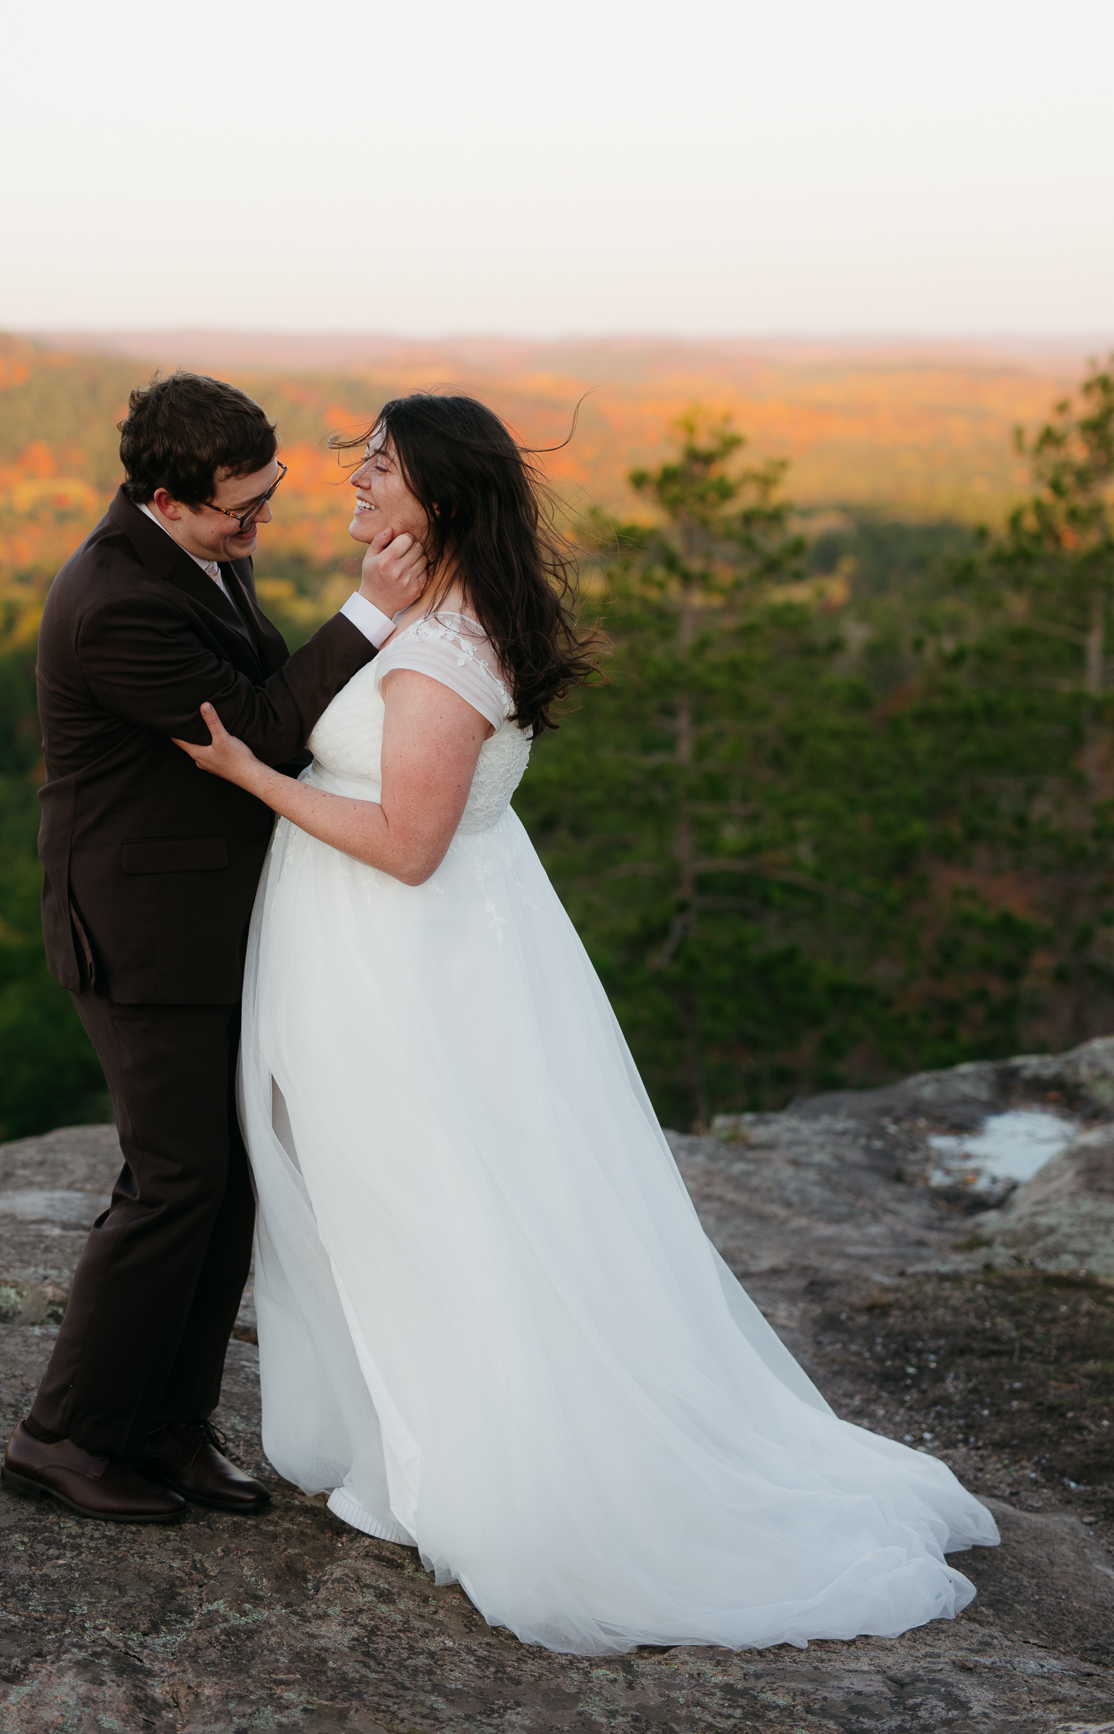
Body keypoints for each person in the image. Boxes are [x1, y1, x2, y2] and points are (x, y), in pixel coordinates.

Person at [171, 390, 999, 1654]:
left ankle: (496, 1469)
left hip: (407, 971)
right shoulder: (417, 618)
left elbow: (405, 845)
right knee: (388, 1202)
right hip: (376, 960)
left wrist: (252, 776)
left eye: (379, 470)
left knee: (433, 1202)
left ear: (437, 499)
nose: (353, 484)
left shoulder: (446, 651)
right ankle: (411, 1438)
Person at [0, 371, 426, 1525]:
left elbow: (254, 679)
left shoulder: (200, 551)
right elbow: (256, 730)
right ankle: (64, 1435)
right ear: (165, 497)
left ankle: (166, 1427)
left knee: (228, 1182)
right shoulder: (112, 602)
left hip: (212, 917)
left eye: (269, 496)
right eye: (241, 512)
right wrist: (370, 615)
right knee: (173, 1180)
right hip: (141, 931)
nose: (259, 528)